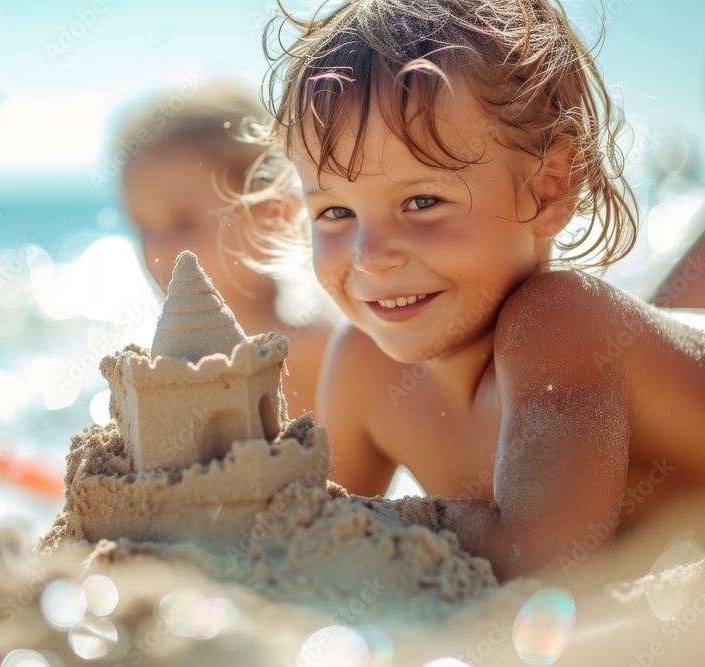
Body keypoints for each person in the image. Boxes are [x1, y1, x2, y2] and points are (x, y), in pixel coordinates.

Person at [249, 0, 705, 580]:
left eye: (422, 202)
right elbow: (309, 544)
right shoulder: (363, 368)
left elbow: (540, 566)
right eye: (336, 211)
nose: (371, 256)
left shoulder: (562, 321)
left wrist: (398, 520)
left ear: (548, 189)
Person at [115, 80, 334, 418]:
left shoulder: (319, 351)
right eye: (143, 226)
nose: (156, 249)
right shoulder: (166, 367)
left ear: (274, 215)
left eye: (183, 222)